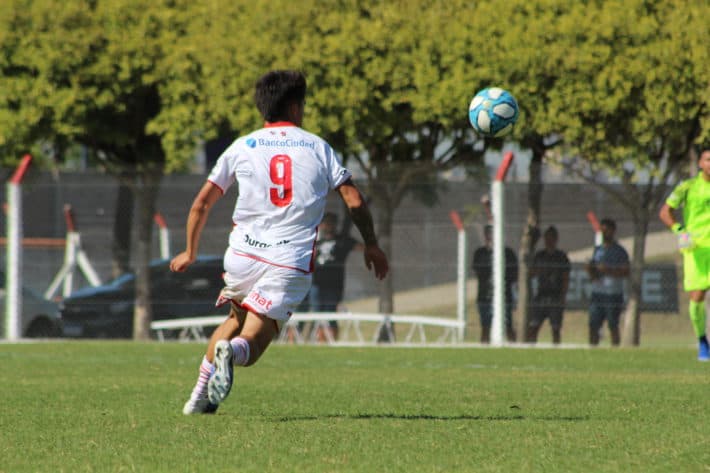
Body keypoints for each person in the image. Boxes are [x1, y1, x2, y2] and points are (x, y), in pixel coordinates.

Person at [171, 70, 389, 415]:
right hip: (287, 259)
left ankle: (199, 397)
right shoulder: (317, 146)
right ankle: (234, 354)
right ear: (294, 106)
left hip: (242, 254)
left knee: (234, 320)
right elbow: (354, 200)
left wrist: (190, 251)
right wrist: (373, 243)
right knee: (253, 340)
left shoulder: (242, 146)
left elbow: (201, 203)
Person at [659, 146, 710, 361]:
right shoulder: (688, 187)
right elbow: (665, 211)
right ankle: (702, 341)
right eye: (708, 159)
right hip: (696, 249)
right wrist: (680, 231)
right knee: (697, 297)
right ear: (700, 162)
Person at [308, 212, 364, 341]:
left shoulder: (342, 240)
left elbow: (362, 248)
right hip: (316, 283)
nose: (327, 226)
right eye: (325, 223)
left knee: (330, 314)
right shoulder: (316, 241)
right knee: (317, 314)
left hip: (334, 285)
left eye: (330, 223)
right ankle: (321, 340)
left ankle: (331, 340)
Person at [585, 218, 629, 346]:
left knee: (613, 324)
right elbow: (595, 274)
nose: (604, 233)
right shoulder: (597, 250)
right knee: (593, 324)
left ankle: (615, 349)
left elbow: (626, 272)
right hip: (597, 293)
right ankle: (593, 349)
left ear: (613, 231)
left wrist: (608, 270)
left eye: (607, 230)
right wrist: (591, 269)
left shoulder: (620, 251)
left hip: (613, 294)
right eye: (602, 230)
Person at [472, 224, 518, 343]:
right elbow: (478, 273)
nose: (491, 236)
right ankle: (484, 351)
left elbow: (514, 275)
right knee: (485, 327)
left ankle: (514, 351)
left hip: (505, 296)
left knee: (508, 327)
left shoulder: (508, 253)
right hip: (485, 297)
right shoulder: (480, 253)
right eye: (488, 234)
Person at [526, 225, 571, 344]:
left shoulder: (561, 257)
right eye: (546, 238)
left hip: (555, 296)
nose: (548, 241)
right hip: (541, 295)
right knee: (533, 326)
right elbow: (531, 273)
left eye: (551, 238)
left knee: (555, 328)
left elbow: (566, 278)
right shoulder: (540, 256)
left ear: (556, 239)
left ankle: (556, 349)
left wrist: (563, 296)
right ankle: (531, 349)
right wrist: (540, 270)